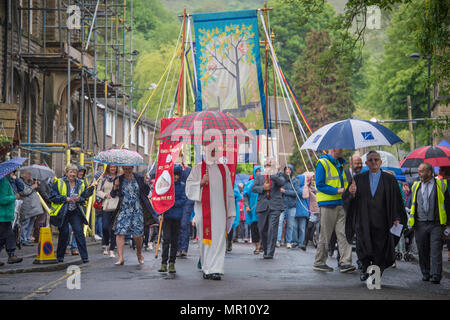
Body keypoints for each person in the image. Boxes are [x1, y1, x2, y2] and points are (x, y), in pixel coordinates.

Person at [344, 150, 407, 281]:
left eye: (376, 160)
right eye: (371, 160)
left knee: (380, 249)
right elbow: (347, 200)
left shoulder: (390, 180)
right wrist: (352, 194)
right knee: (363, 247)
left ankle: (376, 273)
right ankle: (365, 268)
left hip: (383, 221)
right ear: (366, 163)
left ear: (380, 162)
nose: (373, 162)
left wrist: (396, 217)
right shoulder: (358, 179)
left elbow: (396, 200)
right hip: (363, 220)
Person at [186, 144, 236, 280]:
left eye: (215, 150)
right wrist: (201, 183)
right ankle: (207, 267)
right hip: (203, 211)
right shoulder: (197, 168)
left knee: (219, 239)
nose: (213, 152)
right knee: (206, 240)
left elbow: (229, 192)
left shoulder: (224, 169)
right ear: (205, 151)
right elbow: (188, 188)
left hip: (220, 211)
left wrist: (231, 210)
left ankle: (216, 269)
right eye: (211, 150)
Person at [313, 148, 355, 273]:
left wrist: (350, 189)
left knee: (344, 234)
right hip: (327, 204)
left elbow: (344, 185)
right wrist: (336, 190)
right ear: (332, 149)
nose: (342, 149)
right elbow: (319, 185)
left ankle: (345, 263)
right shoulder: (322, 162)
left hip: (340, 203)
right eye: (340, 147)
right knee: (325, 234)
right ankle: (319, 262)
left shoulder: (340, 164)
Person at [408, 162, 450, 284]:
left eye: (421, 171)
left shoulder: (441, 185)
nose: (419, 173)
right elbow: (411, 203)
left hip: (436, 223)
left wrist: (448, 224)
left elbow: (447, 204)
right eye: (419, 171)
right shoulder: (415, 186)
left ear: (429, 172)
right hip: (420, 224)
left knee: (436, 249)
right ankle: (425, 272)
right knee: (422, 249)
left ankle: (436, 275)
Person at [111, 166, 157, 265]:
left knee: (137, 235)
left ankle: (139, 254)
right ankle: (120, 258)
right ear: (123, 168)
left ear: (132, 168)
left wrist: (146, 183)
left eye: (129, 169)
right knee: (119, 232)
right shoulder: (119, 179)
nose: (127, 171)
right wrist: (115, 187)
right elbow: (113, 194)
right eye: (125, 169)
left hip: (137, 209)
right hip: (124, 209)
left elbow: (146, 192)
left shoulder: (139, 178)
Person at [50, 164, 95, 263]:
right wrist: (65, 199)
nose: (73, 174)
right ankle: (60, 256)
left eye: (75, 172)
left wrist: (81, 198)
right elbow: (52, 197)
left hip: (75, 211)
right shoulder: (58, 182)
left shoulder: (81, 183)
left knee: (79, 232)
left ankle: (84, 257)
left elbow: (84, 195)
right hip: (63, 211)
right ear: (66, 173)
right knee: (64, 232)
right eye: (71, 172)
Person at [252, 158, 286, 259]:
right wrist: (263, 188)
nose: (268, 167)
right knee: (262, 229)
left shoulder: (278, 175)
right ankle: (266, 249)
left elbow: (281, 182)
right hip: (262, 206)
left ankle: (270, 252)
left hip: (275, 206)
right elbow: (254, 188)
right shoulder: (259, 176)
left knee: (272, 228)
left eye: (270, 165)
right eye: (267, 165)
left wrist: (272, 175)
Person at [158, 165, 187, 274]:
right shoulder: (165, 185)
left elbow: (183, 199)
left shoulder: (182, 186)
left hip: (177, 217)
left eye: (177, 175)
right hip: (167, 216)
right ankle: (163, 263)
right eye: (174, 174)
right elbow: (160, 200)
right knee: (166, 239)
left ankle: (172, 263)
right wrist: (160, 213)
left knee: (174, 240)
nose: (176, 177)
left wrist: (172, 203)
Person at [96, 165, 119, 258]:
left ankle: (112, 250)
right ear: (108, 168)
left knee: (113, 228)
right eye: (111, 167)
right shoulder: (103, 179)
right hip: (106, 205)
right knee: (105, 227)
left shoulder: (119, 178)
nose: (113, 169)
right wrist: (105, 195)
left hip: (116, 204)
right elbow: (98, 191)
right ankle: (106, 245)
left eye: (114, 167)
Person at [0, 174, 23, 266]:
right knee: (9, 235)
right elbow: (2, 199)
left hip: (5, 215)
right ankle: (11, 255)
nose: (13, 173)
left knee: (2, 238)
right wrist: (14, 197)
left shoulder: (7, 180)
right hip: (3, 215)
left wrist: (16, 179)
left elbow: (22, 187)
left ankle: (11, 255)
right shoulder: (3, 182)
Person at [18, 171, 44, 246]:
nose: (30, 175)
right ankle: (23, 239)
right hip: (27, 206)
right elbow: (24, 192)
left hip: (33, 208)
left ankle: (28, 238)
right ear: (24, 175)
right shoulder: (21, 182)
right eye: (29, 174)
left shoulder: (31, 182)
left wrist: (36, 185)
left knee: (31, 223)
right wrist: (33, 186)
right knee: (25, 223)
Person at [243, 166, 263, 254]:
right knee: (254, 229)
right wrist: (247, 206)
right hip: (252, 210)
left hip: (263, 210)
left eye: (260, 171)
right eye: (257, 171)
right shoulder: (250, 184)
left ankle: (262, 245)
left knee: (263, 229)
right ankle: (257, 246)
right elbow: (245, 195)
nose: (258, 173)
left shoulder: (265, 183)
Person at [280, 165, 300, 249]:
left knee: (290, 225)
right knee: (279, 223)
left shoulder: (295, 181)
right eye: (286, 169)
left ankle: (288, 242)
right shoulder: (282, 180)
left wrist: (285, 191)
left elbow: (295, 193)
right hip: (282, 205)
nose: (287, 171)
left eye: (289, 169)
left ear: (292, 171)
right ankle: (278, 241)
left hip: (292, 206)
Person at [177, 164, 194, 257]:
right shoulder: (175, 168)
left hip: (188, 199)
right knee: (178, 224)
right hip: (178, 199)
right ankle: (178, 248)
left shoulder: (190, 170)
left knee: (184, 224)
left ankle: (183, 248)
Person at [302, 172, 320, 248]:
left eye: (315, 180)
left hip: (322, 211)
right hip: (314, 212)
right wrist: (306, 185)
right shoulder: (308, 188)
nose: (313, 182)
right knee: (309, 226)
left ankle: (321, 244)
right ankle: (304, 243)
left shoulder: (320, 187)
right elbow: (305, 196)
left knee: (320, 229)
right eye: (312, 180)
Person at [293, 172, 309, 251]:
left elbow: (301, 193)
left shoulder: (304, 188)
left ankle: (301, 242)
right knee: (294, 227)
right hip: (295, 210)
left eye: (299, 180)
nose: (297, 181)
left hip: (302, 211)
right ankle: (295, 241)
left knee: (302, 228)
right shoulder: (295, 187)